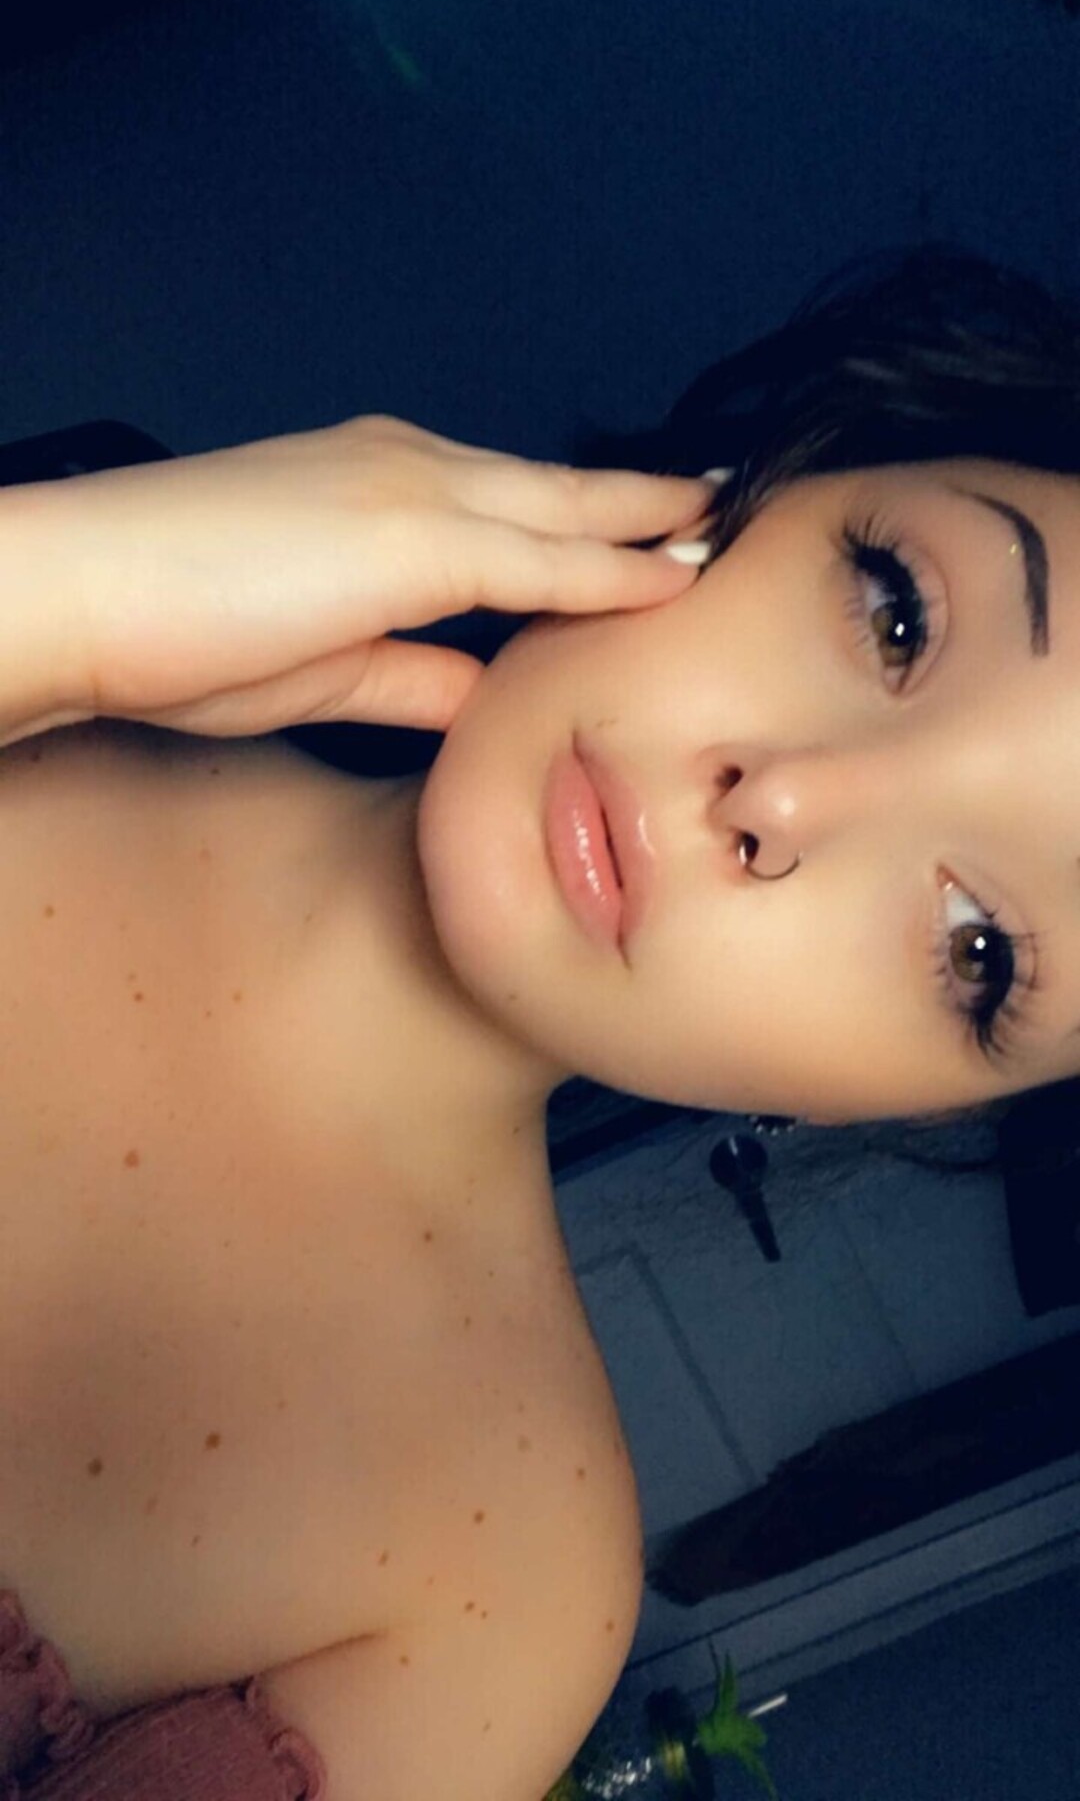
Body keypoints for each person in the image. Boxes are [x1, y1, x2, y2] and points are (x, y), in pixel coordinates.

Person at [1, 238, 1079, 1799]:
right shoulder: (79, 523)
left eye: (979, 951)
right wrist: (56, 603)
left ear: (902, 1101)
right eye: (899, 615)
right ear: (763, 484)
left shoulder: (500, 1597)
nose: (782, 801)